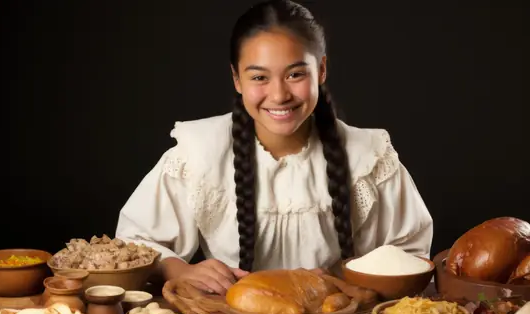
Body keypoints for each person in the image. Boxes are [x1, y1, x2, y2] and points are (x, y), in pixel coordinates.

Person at [115, 0, 433, 296]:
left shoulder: (369, 159)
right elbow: (134, 241)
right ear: (236, 79)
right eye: (259, 77)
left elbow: (408, 255)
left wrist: (343, 283)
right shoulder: (199, 153)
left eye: (295, 74)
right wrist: (179, 269)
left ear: (321, 70)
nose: (279, 95)